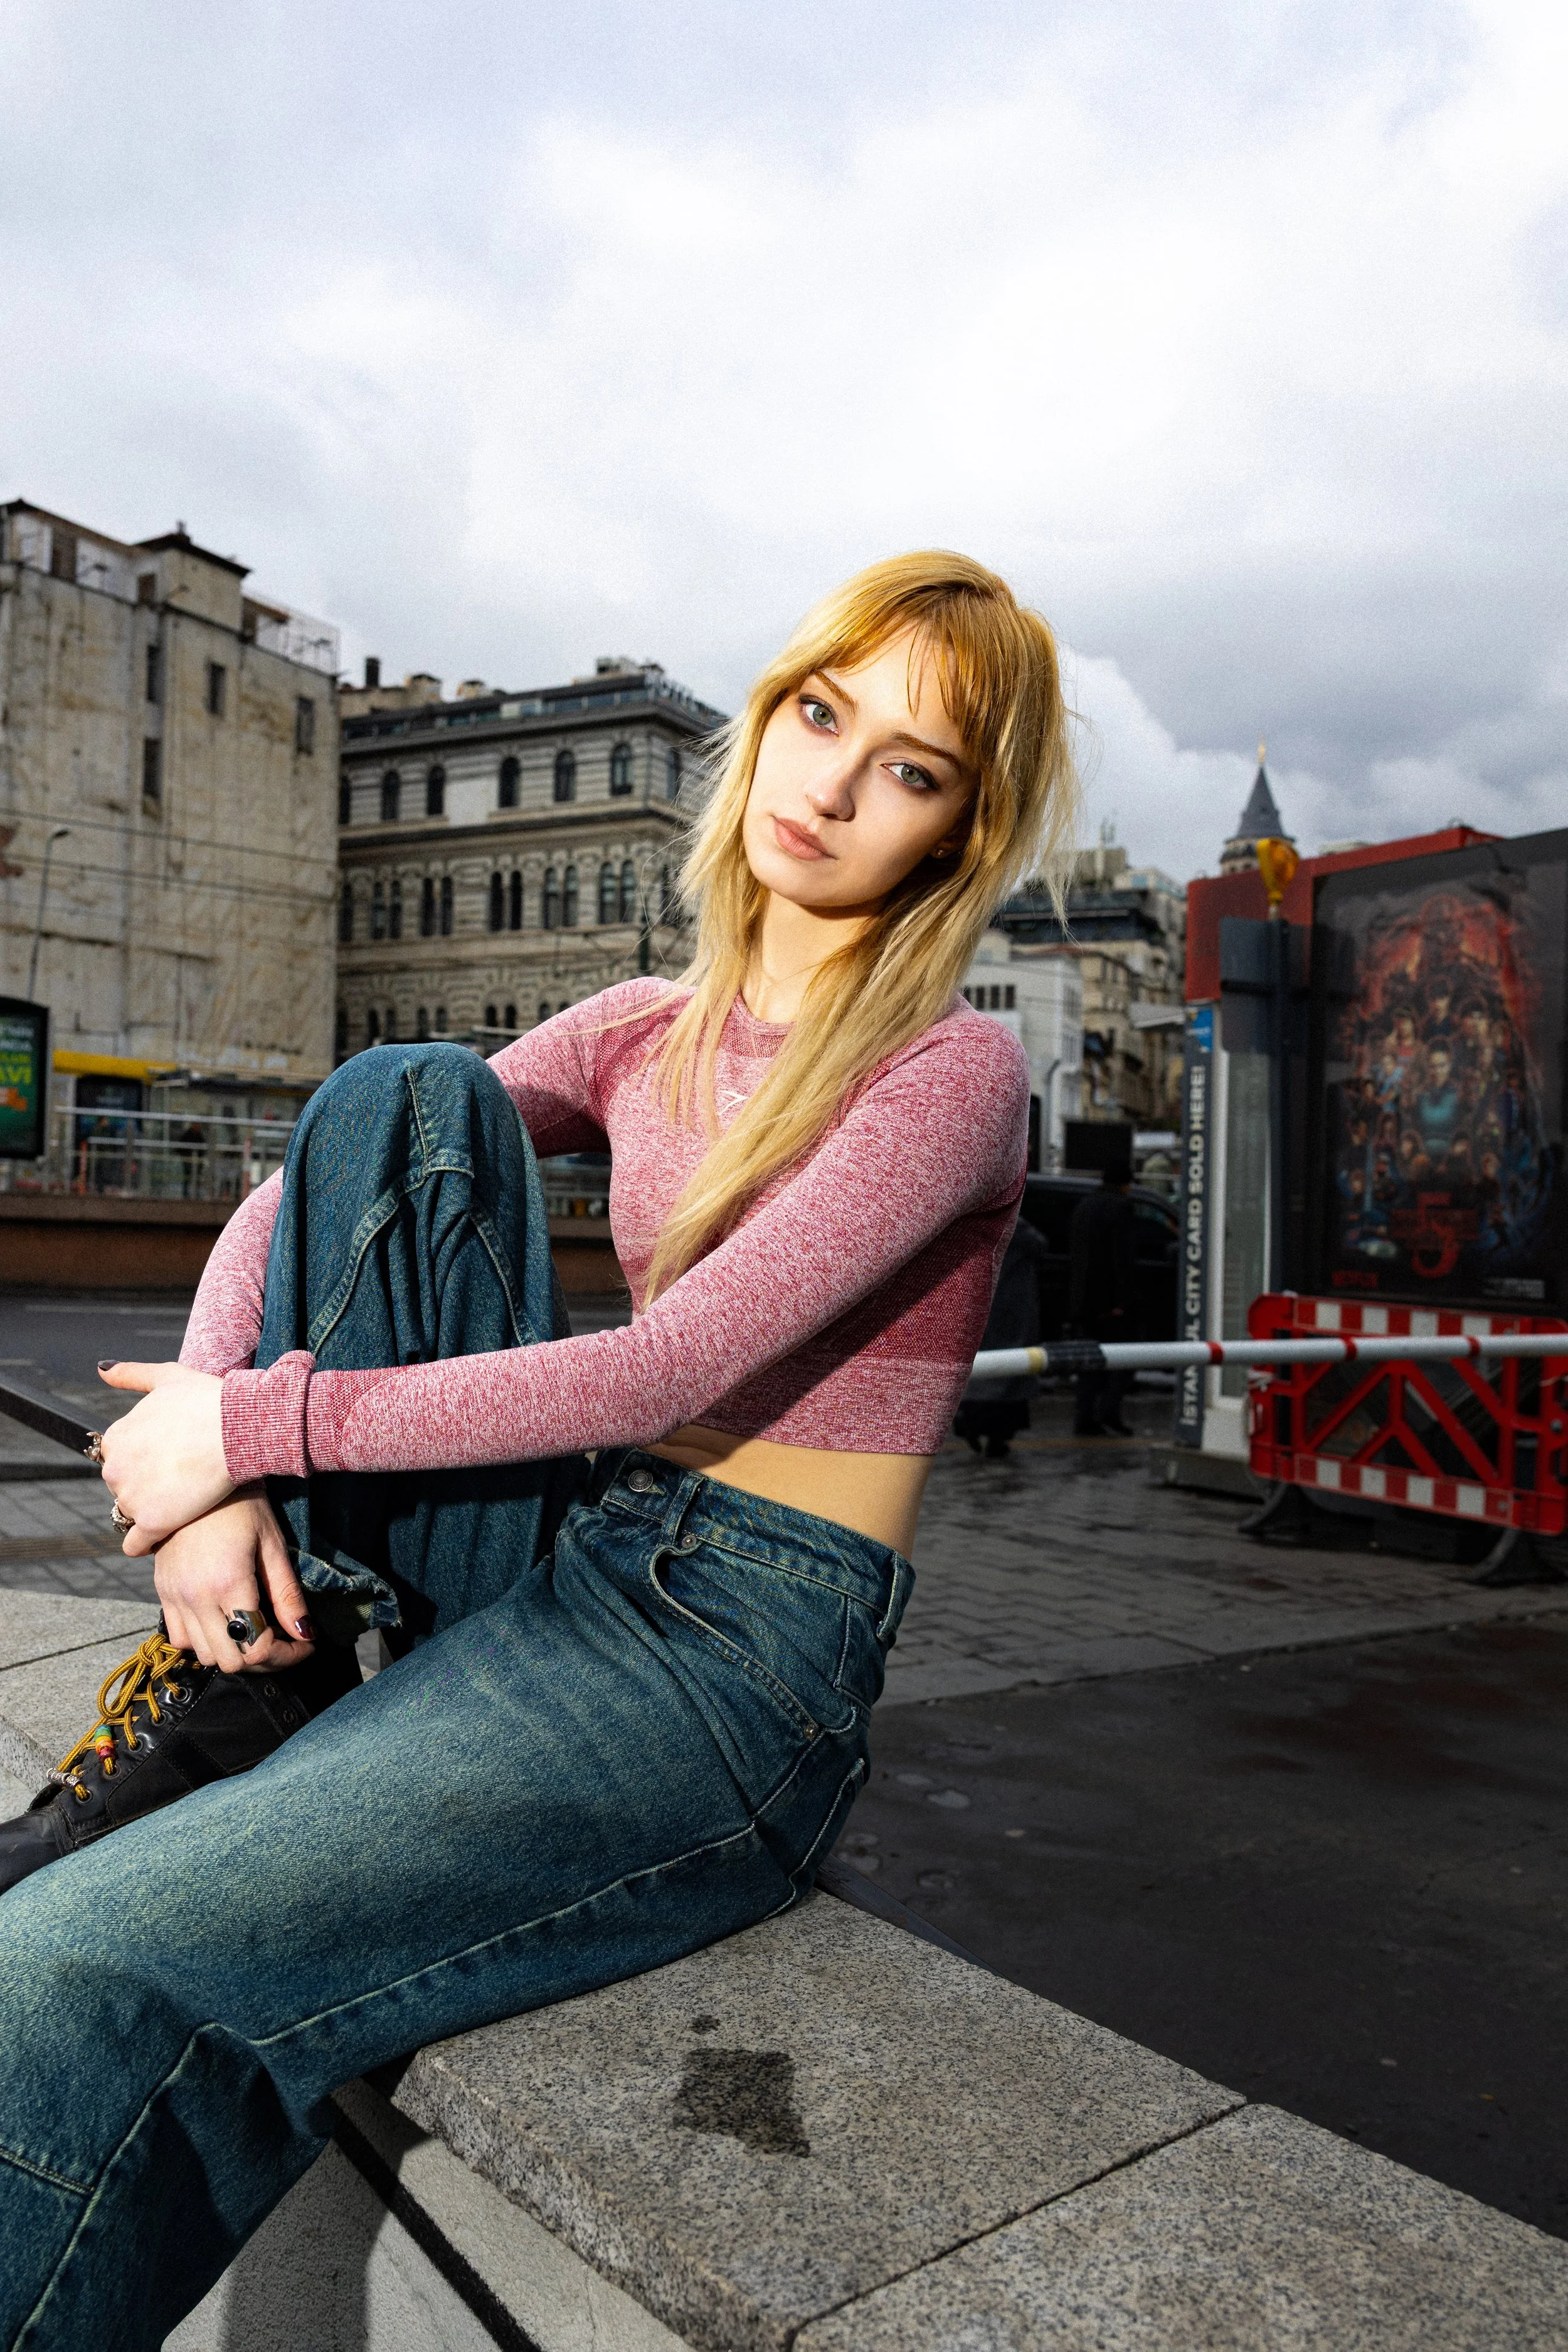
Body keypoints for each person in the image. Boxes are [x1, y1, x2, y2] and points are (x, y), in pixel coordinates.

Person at [0, 549, 1077, 2348]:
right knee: (397, 1091)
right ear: (766, 721)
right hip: (577, 1556)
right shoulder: (644, 1023)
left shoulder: (950, 1068)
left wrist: (254, 1417)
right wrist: (212, 1465)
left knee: (65, 1960)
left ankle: (281, 1671)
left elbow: (676, 1362)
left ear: (956, 832)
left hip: (738, 1658)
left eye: (908, 766)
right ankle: (278, 1647)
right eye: (821, 716)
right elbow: (290, 1189)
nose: (829, 782)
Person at [953, 1214, 1051, 1458]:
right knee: (1012, 1377)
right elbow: (1040, 1245)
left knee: (981, 1374)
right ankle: (999, 1438)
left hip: (982, 1306)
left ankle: (969, 1421)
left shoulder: (976, 1225)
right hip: (1014, 1313)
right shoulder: (1017, 1227)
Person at [1068, 1160, 1137, 1436]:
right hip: (1109, 1302)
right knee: (1125, 1360)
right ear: (1125, 1183)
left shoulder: (1084, 1206)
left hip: (1082, 1301)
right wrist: (1121, 1301)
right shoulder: (1121, 1208)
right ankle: (1109, 1411)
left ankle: (1085, 1418)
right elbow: (1122, 1259)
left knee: (1088, 1363)